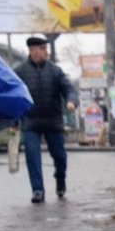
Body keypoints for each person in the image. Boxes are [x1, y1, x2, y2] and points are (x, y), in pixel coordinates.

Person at [14, 36, 77, 202]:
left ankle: (60, 179)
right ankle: (37, 190)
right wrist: (13, 122)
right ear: (32, 50)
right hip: (30, 122)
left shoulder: (55, 71)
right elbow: (13, 97)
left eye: (46, 48)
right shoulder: (19, 72)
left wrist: (71, 100)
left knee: (60, 156)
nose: (46, 52)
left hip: (53, 121)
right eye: (42, 48)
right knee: (32, 156)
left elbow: (68, 88)